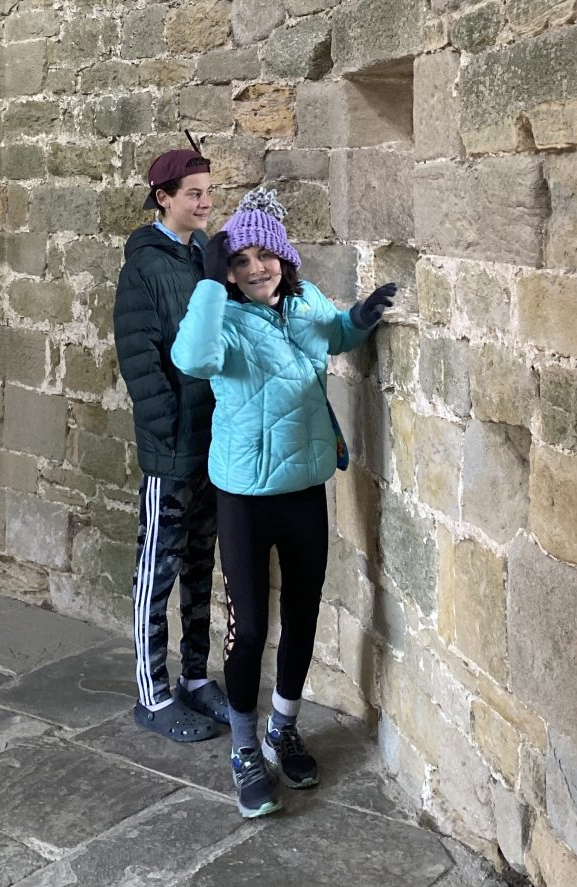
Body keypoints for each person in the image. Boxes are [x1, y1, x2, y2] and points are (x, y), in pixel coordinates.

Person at [171, 186, 396, 817]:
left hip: (303, 488)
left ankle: (282, 728)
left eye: (263, 256)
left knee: (302, 613)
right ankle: (244, 749)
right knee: (249, 631)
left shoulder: (306, 301)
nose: (254, 269)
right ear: (226, 271)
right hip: (245, 495)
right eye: (239, 261)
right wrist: (208, 285)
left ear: (283, 257)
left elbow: (334, 336)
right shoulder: (221, 317)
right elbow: (192, 359)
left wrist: (361, 318)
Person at [113, 140, 230, 742]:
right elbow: (139, 359)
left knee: (200, 567)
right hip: (173, 449)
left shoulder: (205, 254)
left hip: (214, 441)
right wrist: (171, 435)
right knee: (157, 571)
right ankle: (152, 696)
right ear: (163, 198)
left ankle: (194, 679)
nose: (206, 203)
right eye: (194, 194)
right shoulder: (144, 266)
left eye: (209, 192)